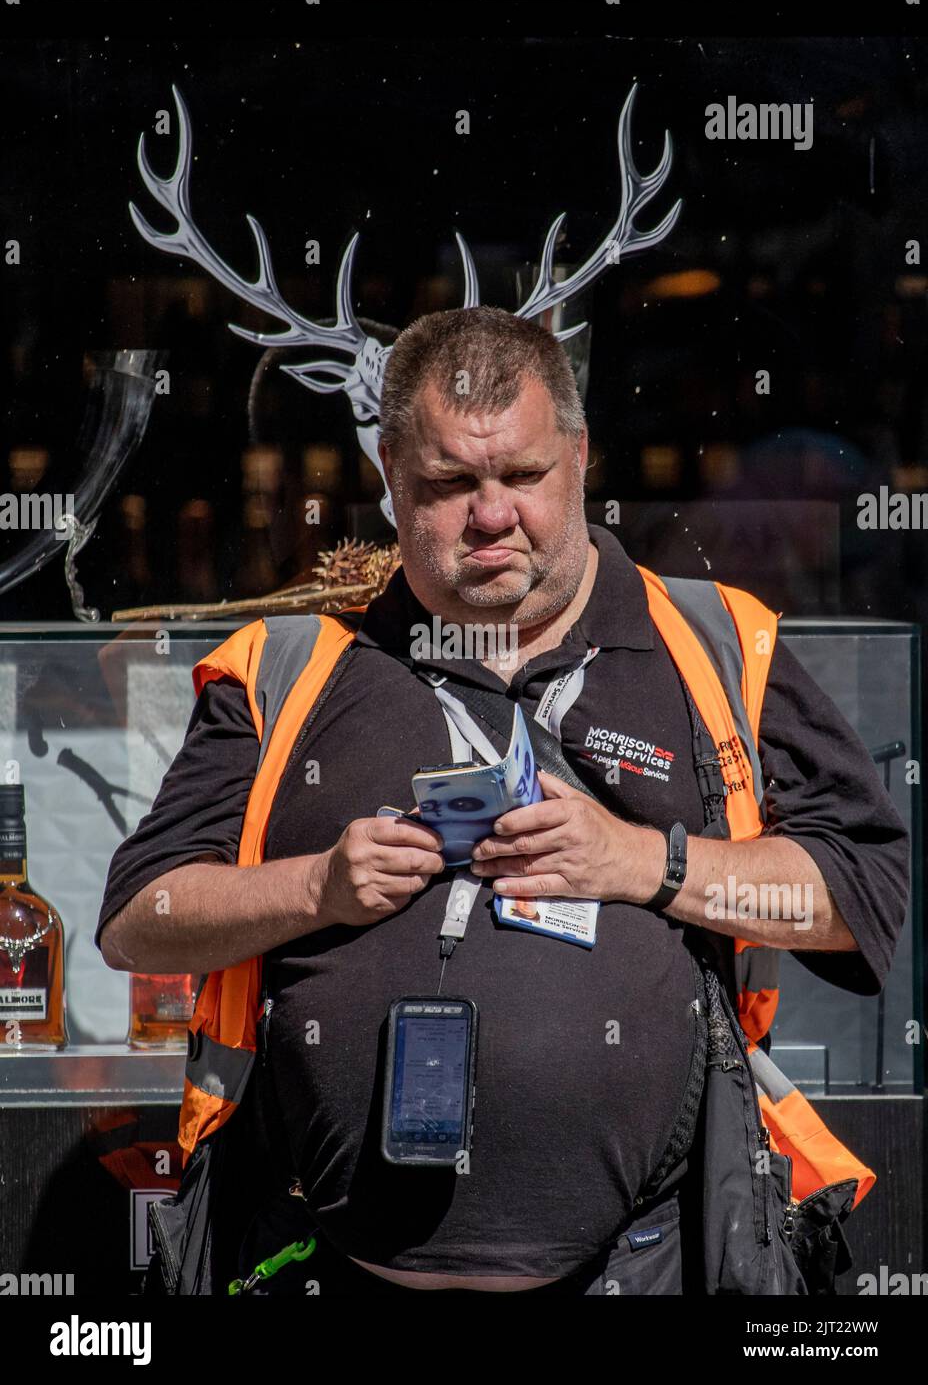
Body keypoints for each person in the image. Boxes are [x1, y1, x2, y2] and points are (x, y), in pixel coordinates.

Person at [95, 305, 909, 1296]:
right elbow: (142, 924)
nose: (490, 514)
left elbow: (855, 900)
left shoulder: (717, 647)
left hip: (641, 1269)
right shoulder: (288, 667)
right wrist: (315, 886)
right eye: (448, 483)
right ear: (390, 473)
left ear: (578, 459)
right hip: (328, 1268)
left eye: (520, 476)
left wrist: (645, 863)